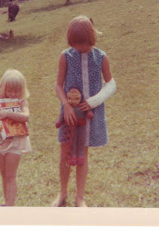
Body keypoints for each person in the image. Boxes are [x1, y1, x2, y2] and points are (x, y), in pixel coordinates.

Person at [52, 15, 116, 207]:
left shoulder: (101, 57)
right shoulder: (66, 56)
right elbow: (58, 85)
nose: (79, 48)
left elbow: (111, 84)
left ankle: (80, 198)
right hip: (70, 115)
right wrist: (66, 105)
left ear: (91, 38)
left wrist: (94, 101)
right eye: (75, 44)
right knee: (65, 152)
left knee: (82, 153)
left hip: (90, 116)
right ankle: (62, 193)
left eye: (82, 44)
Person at [0, 69, 31, 206]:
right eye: (9, 91)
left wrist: (7, 114)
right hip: (0, 142)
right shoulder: (0, 103)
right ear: (3, 89)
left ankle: (10, 206)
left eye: (16, 91)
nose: (13, 94)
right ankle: (7, 202)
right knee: (4, 174)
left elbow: (26, 116)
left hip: (14, 143)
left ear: (21, 90)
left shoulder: (22, 102)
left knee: (10, 175)